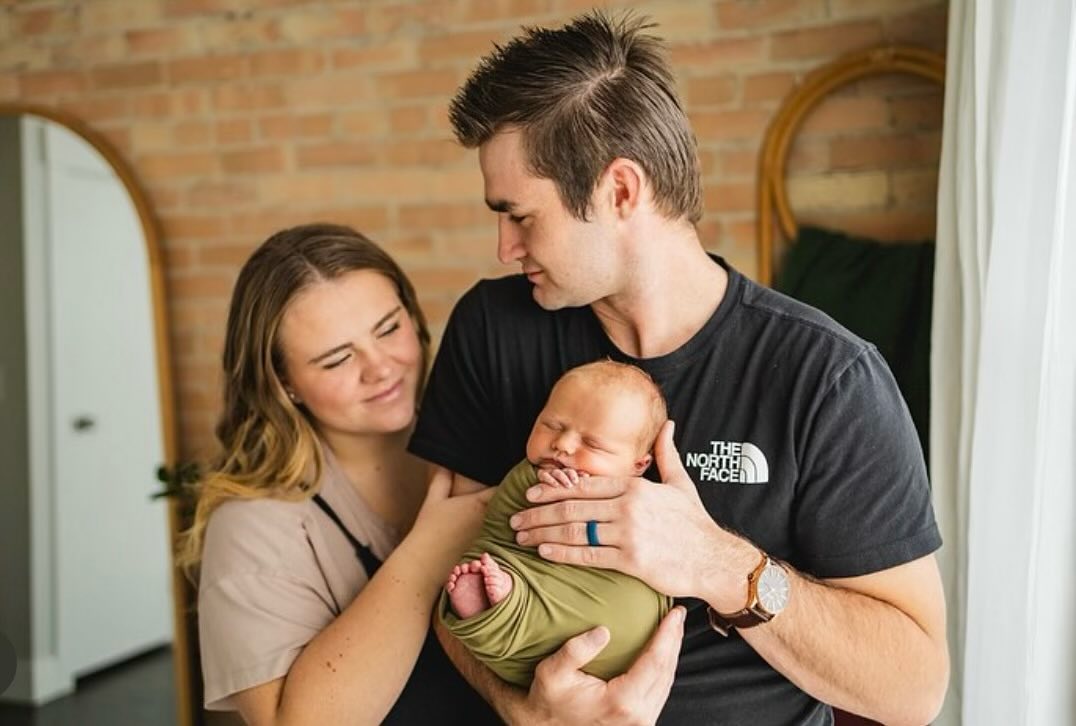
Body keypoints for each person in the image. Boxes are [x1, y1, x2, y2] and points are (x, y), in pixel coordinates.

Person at [409, 11, 949, 726]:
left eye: (521, 217)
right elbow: (440, 582)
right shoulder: (491, 329)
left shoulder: (827, 378)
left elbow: (913, 689)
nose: (504, 247)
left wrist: (717, 564)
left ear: (622, 191)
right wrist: (524, 711)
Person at [177, 223, 501, 725]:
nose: (380, 368)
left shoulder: (492, 440)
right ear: (284, 384)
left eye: (390, 328)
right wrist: (429, 552)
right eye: (336, 359)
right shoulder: (251, 532)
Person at [439, 360, 672, 686]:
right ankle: (500, 605)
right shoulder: (530, 477)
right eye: (552, 425)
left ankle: (501, 608)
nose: (563, 445)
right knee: (515, 586)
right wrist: (552, 488)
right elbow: (507, 515)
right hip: (535, 605)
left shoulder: (645, 500)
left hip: (628, 664)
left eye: (592, 444)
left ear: (639, 465)